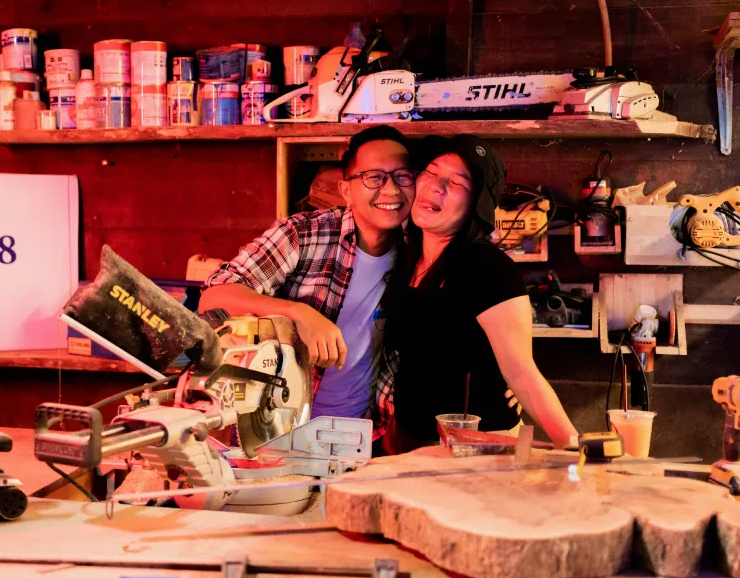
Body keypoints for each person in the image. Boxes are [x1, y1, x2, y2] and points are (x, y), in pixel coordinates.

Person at [377, 136, 579, 453]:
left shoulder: (489, 269)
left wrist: (574, 449)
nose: (437, 186)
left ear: (476, 205)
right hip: (409, 443)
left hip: (476, 451)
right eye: (431, 171)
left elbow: (523, 374)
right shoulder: (405, 257)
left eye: (457, 182)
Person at [200, 125, 415, 422]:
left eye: (403, 176)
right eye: (374, 177)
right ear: (346, 191)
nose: (391, 189)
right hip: (279, 425)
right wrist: (298, 313)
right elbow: (213, 298)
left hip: (364, 428)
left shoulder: (417, 252)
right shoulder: (304, 234)